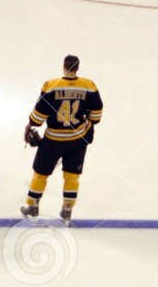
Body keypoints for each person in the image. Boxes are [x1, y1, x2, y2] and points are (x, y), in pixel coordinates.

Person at [21, 54, 102, 223]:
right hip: (77, 140)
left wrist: (30, 125)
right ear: (78, 68)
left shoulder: (51, 86)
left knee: (40, 173)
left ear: (64, 66)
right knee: (72, 176)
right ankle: (67, 210)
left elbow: (38, 117)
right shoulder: (89, 86)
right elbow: (96, 115)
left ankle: (32, 205)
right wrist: (88, 123)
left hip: (53, 140)